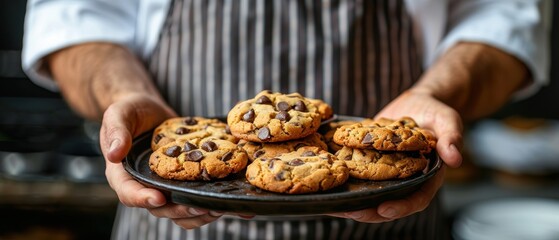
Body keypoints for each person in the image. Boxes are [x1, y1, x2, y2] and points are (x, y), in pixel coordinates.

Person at [22, 0, 548, 239]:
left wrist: (436, 93)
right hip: (173, 220)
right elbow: (73, 21)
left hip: (393, 224)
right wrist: (126, 95)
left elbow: (505, 19)